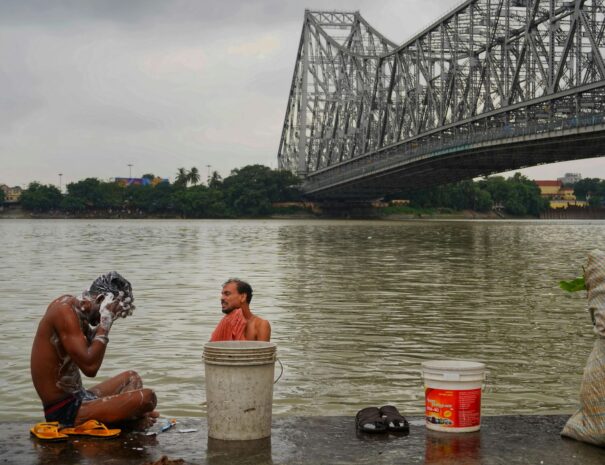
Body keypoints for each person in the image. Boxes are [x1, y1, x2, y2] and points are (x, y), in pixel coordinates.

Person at [30, 272, 158, 429]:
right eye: (108, 310)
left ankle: (129, 417)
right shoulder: (64, 312)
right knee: (147, 398)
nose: (101, 319)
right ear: (100, 300)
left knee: (132, 378)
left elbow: (90, 343)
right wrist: (106, 321)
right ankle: (130, 420)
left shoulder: (77, 310)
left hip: (81, 397)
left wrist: (107, 319)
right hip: (64, 410)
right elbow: (90, 367)